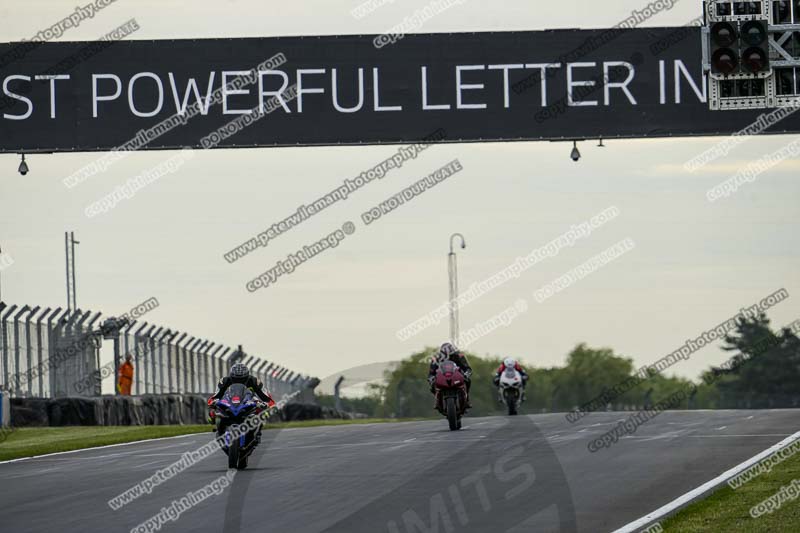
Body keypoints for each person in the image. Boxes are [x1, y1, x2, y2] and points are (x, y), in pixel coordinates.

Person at [207, 363, 276, 441]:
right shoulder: (224, 381)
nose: (238, 382)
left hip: (249, 402)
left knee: (263, 412)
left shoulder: (255, 381)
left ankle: (257, 432)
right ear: (231, 376)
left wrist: (266, 404)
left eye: (242, 380)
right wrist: (213, 402)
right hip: (229, 401)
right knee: (213, 410)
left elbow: (267, 398)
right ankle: (218, 427)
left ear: (247, 377)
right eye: (235, 380)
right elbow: (216, 395)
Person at [428, 342, 472, 407]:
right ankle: (437, 400)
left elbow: (467, 368)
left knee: (468, 380)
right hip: (443, 378)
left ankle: (467, 398)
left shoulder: (459, 356)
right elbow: (432, 372)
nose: (448, 357)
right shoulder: (436, 359)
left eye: (451, 355)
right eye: (445, 355)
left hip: (457, 377)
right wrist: (431, 378)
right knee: (432, 385)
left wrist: (466, 374)